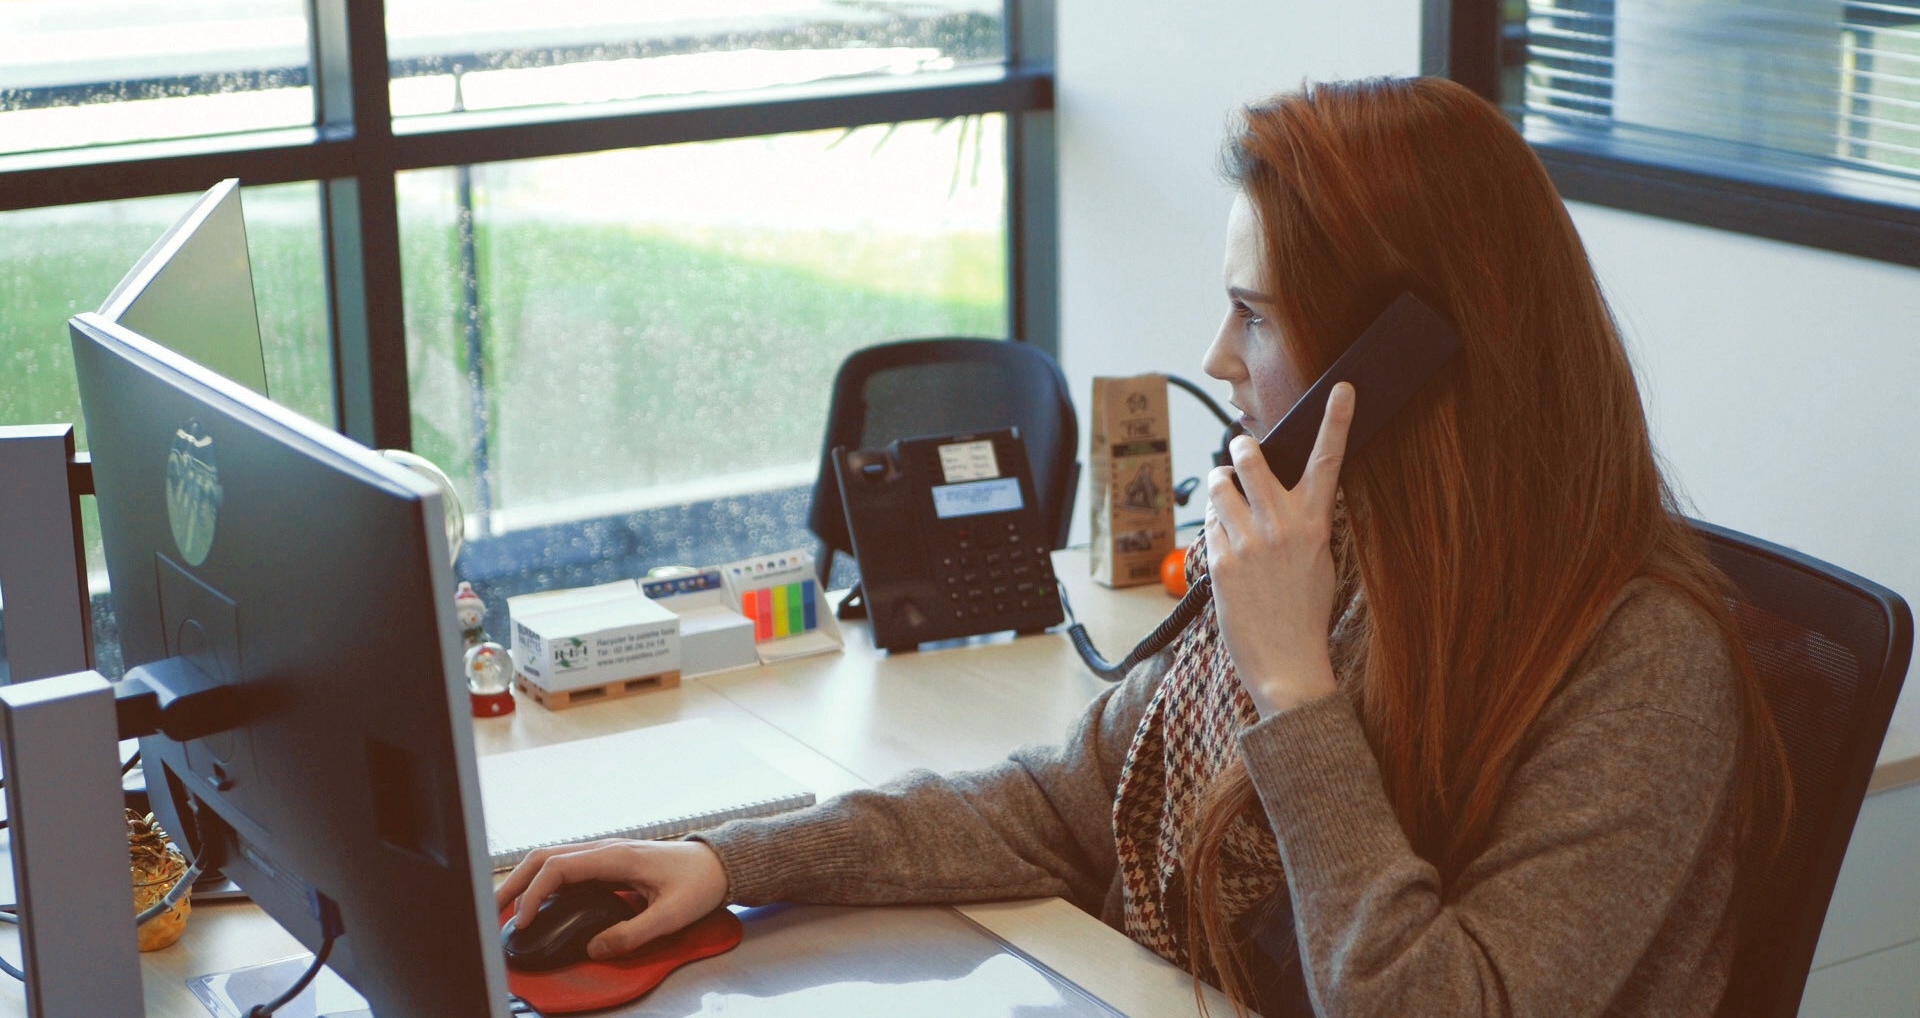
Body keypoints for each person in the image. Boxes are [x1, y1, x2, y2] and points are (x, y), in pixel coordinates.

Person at [495, 76, 1787, 1017]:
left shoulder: (1638, 664)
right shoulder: (1341, 559)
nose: (1218, 360)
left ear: (1407, 366)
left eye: (1254, 316)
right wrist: (730, 859)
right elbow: (1069, 808)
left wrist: (1293, 691)